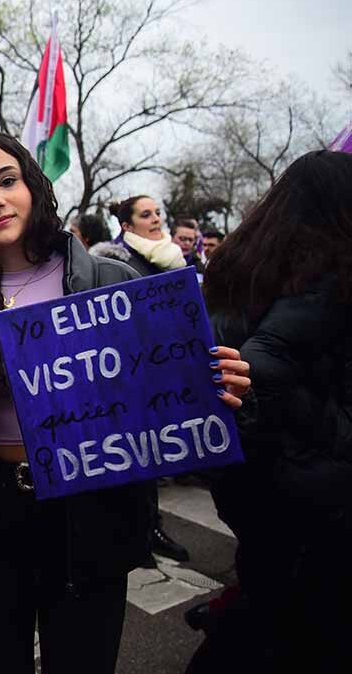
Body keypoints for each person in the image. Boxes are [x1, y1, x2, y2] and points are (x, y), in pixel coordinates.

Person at [0, 129, 250, 674]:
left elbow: (163, 393)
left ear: (33, 185)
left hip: (90, 521)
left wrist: (221, 385)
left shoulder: (109, 278)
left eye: (7, 180)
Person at [203, 150, 352, 672]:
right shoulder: (333, 275)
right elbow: (269, 365)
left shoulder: (233, 269)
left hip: (245, 482)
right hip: (317, 499)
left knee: (268, 600)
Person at [109, 194, 192, 564]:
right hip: (129, 373)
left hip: (164, 366)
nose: (156, 219)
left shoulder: (171, 258)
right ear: (127, 226)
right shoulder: (115, 262)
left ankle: (150, 527)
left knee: (156, 453)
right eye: (146, 215)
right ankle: (135, 534)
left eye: (158, 212)